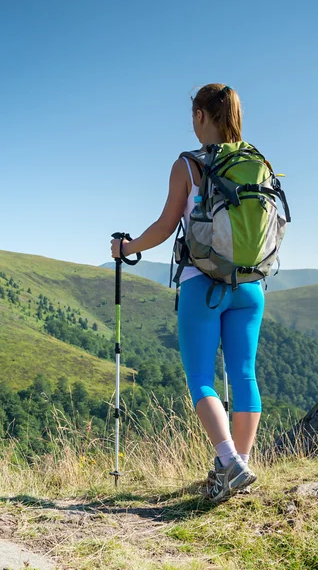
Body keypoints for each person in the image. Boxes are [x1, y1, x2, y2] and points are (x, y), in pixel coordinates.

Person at [111, 83, 262, 502]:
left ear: (200, 115)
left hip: (202, 284)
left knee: (200, 378)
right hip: (250, 284)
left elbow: (164, 227)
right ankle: (239, 467)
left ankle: (230, 463)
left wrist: (127, 248)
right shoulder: (254, 162)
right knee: (244, 374)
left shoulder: (188, 164)